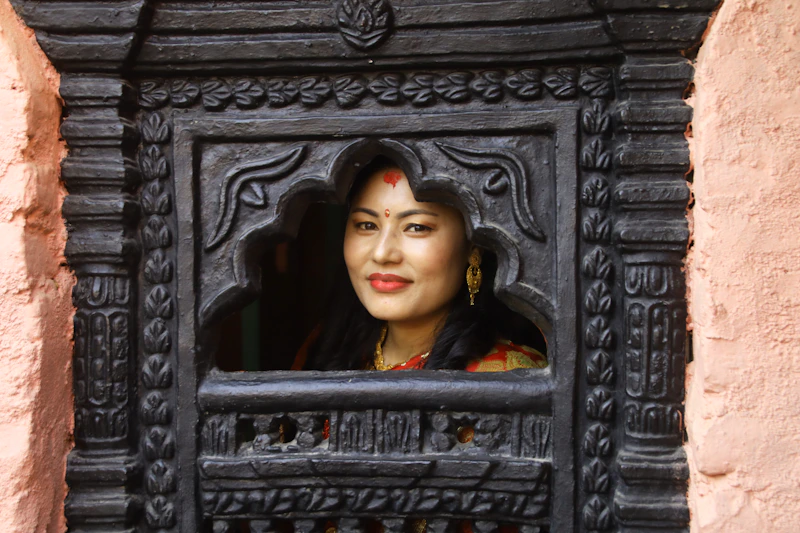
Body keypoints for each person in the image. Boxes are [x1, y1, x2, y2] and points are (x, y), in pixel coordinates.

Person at [299, 159, 546, 372]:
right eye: (366, 225)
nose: (382, 253)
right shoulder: (328, 355)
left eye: (417, 227)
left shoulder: (506, 377)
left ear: (474, 246)